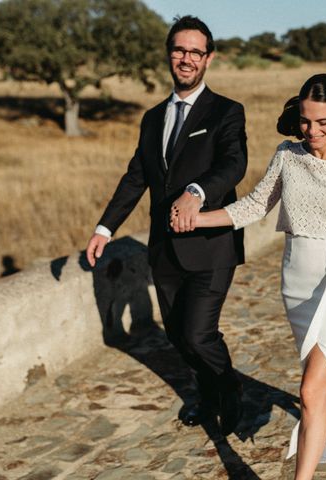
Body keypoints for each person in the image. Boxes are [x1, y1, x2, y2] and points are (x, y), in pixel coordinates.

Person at [171, 73, 326, 479]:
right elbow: (255, 205)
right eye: (305, 121)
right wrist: (198, 219)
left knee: (310, 387)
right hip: (296, 277)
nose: (312, 131)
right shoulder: (287, 155)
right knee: (320, 369)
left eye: (323, 123)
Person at [86, 16, 247, 436]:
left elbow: (234, 164)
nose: (187, 59)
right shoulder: (153, 118)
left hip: (211, 245)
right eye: (179, 50)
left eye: (196, 52)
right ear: (169, 55)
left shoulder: (228, 111)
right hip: (164, 249)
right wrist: (105, 228)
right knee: (177, 334)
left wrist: (197, 191)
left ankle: (229, 390)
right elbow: (136, 177)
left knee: (198, 332)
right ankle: (207, 395)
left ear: (209, 58)